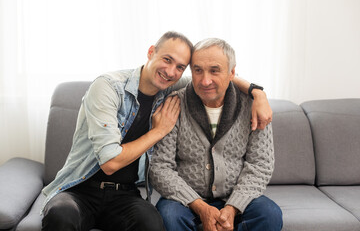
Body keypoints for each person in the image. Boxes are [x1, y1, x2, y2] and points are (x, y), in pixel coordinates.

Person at [41, 32, 272, 231]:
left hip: (125, 194)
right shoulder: (109, 87)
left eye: (180, 67)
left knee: (152, 223)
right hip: (80, 188)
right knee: (61, 216)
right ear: (151, 51)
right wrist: (158, 131)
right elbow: (110, 162)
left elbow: (213, 79)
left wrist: (257, 93)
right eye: (167, 59)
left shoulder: (175, 87)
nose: (171, 71)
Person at [149, 38, 283, 231]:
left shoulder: (253, 106)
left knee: (269, 214)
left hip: (236, 198)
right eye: (197, 70)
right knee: (169, 216)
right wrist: (201, 207)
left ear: (232, 73)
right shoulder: (174, 104)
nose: (205, 80)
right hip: (185, 201)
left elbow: (261, 165)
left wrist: (232, 207)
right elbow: (160, 167)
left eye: (214, 70)